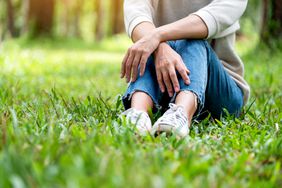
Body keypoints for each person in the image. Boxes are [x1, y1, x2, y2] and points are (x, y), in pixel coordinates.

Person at [121, 0, 250, 138]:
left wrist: (157, 36)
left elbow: (211, 18)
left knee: (191, 38)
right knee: (146, 47)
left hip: (221, 95)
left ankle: (181, 114)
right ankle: (138, 115)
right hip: (164, 87)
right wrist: (159, 47)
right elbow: (135, 12)